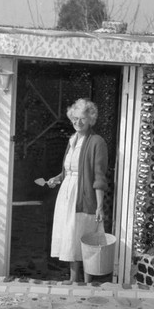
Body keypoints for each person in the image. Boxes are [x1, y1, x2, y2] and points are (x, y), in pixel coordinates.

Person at [47, 98, 108, 283]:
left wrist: (99, 206)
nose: (77, 122)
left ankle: (88, 282)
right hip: (67, 193)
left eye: (82, 118)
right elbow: (70, 169)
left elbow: (99, 176)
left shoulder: (97, 142)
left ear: (91, 119)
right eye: (74, 119)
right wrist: (57, 178)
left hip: (84, 195)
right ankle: (73, 280)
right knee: (71, 236)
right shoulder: (72, 140)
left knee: (84, 236)